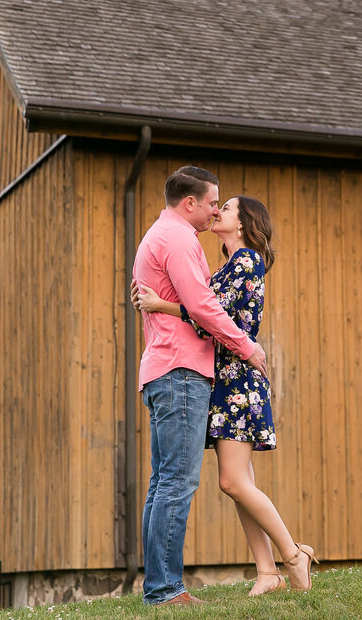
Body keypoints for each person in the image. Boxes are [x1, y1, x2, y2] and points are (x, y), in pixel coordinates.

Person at [133, 194, 317, 596]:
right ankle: (267, 572)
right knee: (240, 483)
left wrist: (159, 304)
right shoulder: (226, 265)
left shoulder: (247, 260)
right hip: (223, 381)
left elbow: (210, 317)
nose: (218, 212)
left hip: (237, 382)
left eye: (227, 208)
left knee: (233, 482)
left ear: (244, 223)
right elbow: (205, 311)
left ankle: (292, 553)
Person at [134, 166, 269, 607]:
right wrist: (247, 348)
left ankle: (159, 587)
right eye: (214, 202)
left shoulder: (159, 235)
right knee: (176, 483)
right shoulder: (179, 240)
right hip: (182, 373)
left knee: (162, 483)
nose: (216, 210)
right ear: (189, 203)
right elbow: (204, 307)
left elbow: (194, 304)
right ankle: (166, 590)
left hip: (161, 370)